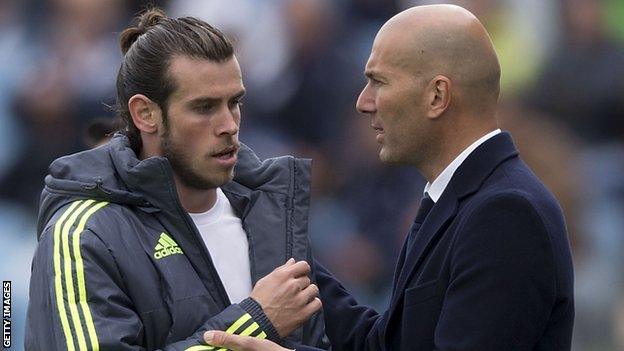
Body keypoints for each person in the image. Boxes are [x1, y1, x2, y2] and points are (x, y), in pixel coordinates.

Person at [202, 4, 575, 351]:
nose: (363, 102)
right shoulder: (459, 198)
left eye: (379, 82)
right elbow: (383, 344)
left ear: (437, 96)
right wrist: (280, 247)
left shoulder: (505, 213)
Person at [24, 8, 327, 350]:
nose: (229, 124)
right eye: (205, 107)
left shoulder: (270, 209)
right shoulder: (83, 236)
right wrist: (256, 324)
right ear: (145, 114)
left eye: (235, 102)